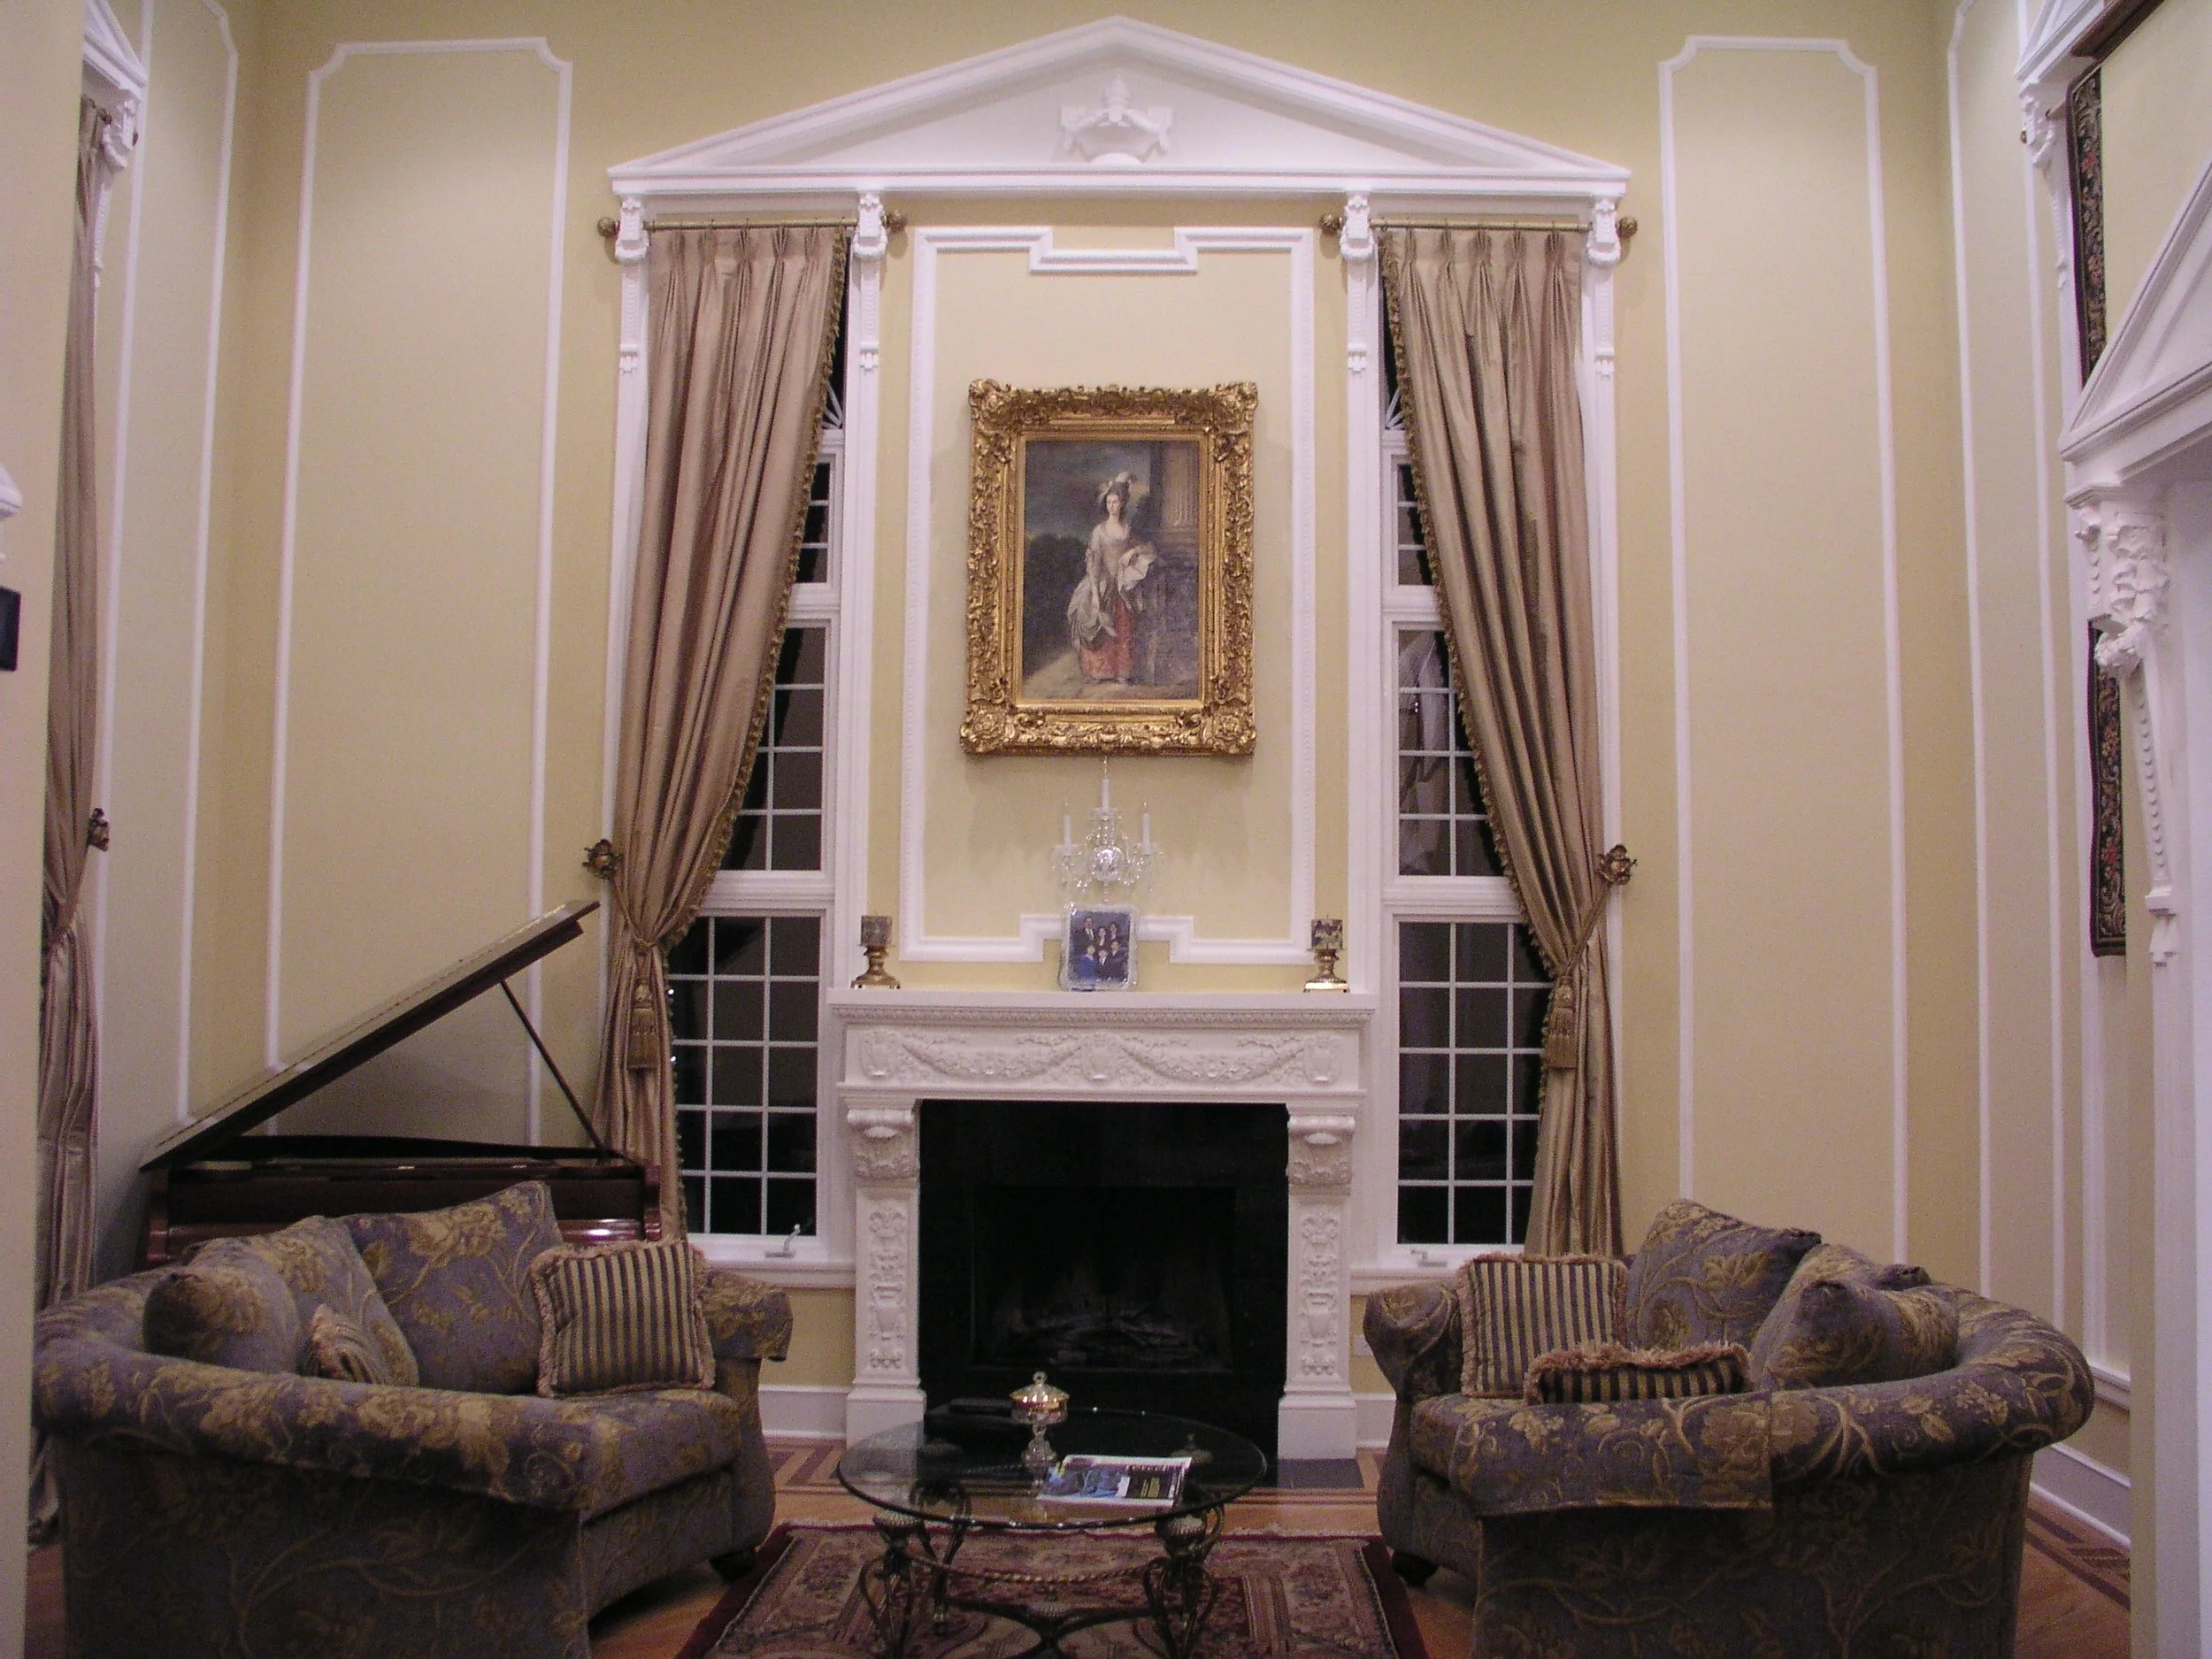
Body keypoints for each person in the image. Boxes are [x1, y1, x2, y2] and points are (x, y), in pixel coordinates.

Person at [1066, 472, 1158, 685]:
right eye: (1109, 502)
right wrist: (1096, 595)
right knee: (1099, 623)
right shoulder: (1099, 531)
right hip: (1103, 582)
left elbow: (1146, 549)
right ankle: (1100, 672)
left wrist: (1131, 553)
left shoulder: (1127, 530)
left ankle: (1122, 672)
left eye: (1115, 502)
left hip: (1123, 584)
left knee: (1124, 627)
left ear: (1122, 504)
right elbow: (1093, 563)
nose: (1112, 506)